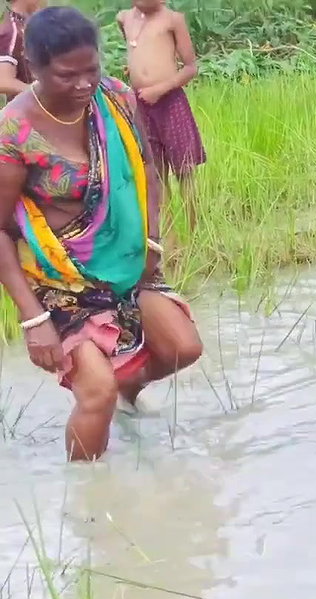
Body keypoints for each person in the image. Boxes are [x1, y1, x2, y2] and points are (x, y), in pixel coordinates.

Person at [0, 6, 202, 461]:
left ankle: (126, 391)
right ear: (34, 66)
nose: (83, 84)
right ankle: (85, 493)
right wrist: (33, 320)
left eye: (90, 69)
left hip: (127, 259)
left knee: (182, 348)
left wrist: (151, 241)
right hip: (60, 279)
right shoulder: (13, 130)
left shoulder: (115, 97)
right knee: (96, 394)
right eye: (67, 75)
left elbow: (145, 167)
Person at [115, 0, 202, 227]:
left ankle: (195, 228)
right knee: (155, 171)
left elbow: (191, 68)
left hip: (170, 103)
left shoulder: (172, 20)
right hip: (141, 104)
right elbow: (134, 46)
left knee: (184, 168)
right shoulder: (124, 18)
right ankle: (168, 232)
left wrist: (160, 89)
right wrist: (135, 67)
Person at [0, 0, 44, 101]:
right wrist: (42, 93)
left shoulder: (26, 24)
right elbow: (3, 81)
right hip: (28, 108)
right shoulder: (11, 32)